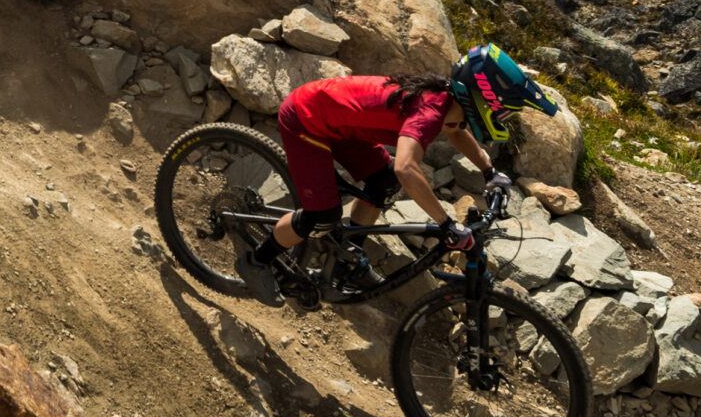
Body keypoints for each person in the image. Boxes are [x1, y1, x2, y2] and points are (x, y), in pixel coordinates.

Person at [236, 43, 561, 305]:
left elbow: (457, 132)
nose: (502, 116)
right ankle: (257, 261)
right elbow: (407, 166)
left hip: (339, 124)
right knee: (322, 216)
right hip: (306, 119)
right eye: (501, 109)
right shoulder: (429, 113)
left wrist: (490, 171)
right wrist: (446, 224)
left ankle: (347, 260)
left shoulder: (449, 104)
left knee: (384, 181)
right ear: (482, 98)